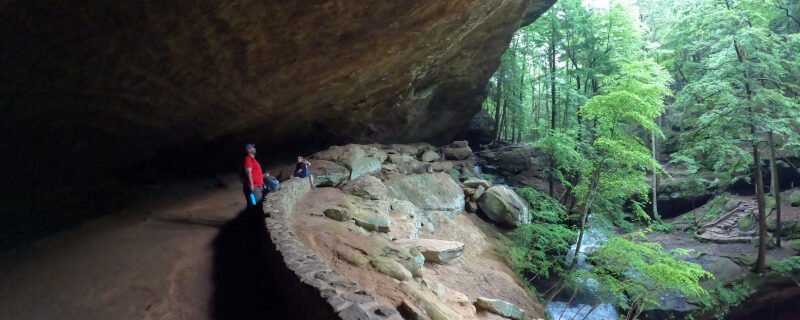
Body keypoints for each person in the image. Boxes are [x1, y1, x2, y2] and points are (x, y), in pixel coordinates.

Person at [242, 144, 265, 208]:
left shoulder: (253, 160)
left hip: (256, 186)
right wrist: (252, 184)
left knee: (254, 204)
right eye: (252, 147)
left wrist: (261, 184)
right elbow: (248, 172)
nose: (254, 148)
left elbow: (256, 173)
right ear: (249, 150)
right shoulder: (248, 159)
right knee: (256, 204)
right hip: (253, 186)